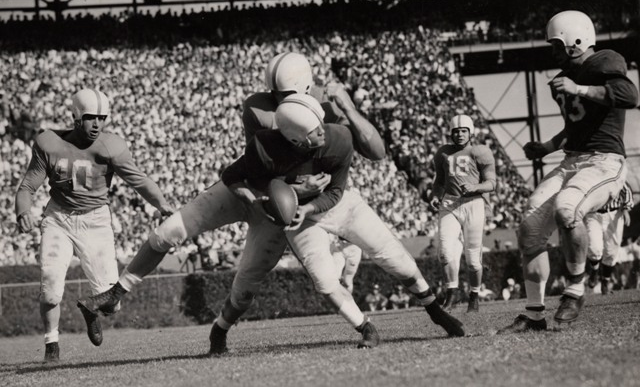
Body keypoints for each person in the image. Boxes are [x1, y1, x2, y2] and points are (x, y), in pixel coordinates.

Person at [79, 52, 464, 351]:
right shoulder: (260, 111)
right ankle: (120, 293)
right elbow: (258, 168)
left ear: (310, 89)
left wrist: (346, 108)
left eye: (286, 94)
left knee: (389, 257)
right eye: (277, 95)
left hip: (315, 201)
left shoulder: (331, 121)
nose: (281, 102)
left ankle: (433, 310)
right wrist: (290, 191)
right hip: (266, 193)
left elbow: (375, 152)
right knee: (187, 243)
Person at [499, 11, 638, 334]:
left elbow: (630, 96)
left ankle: (575, 291)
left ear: (575, 41)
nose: (553, 52)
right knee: (529, 229)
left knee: (567, 209)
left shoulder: (603, 62)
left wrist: (580, 88)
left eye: (557, 45)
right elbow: (574, 127)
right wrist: (547, 147)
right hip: (571, 160)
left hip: (604, 160)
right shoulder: (564, 80)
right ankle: (534, 314)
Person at [14, 88, 173, 362]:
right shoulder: (49, 142)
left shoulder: (111, 145)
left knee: (112, 304)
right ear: (76, 117)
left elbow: (139, 180)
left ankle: (91, 311)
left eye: (102, 118)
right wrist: (23, 211)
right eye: (91, 118)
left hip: (96, 219)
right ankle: (52, 344)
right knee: (50, 290)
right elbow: (28, 185)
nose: (97, 124)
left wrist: (162, 204)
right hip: (58, 218)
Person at [430, 114, 496, 313]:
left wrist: (475, 187)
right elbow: (439, 181)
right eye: (456, 131)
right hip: (450, 203)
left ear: (470, 132)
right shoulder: (443, 152)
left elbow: (492, 183)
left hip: (474, 203)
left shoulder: (480, 151)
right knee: (444, 252)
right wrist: (435, 195)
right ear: (451, 133)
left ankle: (474, 295)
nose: (459, 134)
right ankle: (452, 292)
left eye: (463, 131)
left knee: (473, 259)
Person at [585, 183, 634, 294]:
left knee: (611, 252)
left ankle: (605, 281)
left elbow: (626, 189)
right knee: (594, 248)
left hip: (614, 214)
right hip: (593, 214)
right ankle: (594, 271)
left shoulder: (612, 170)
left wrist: (626, 209)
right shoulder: (588, 173)